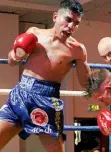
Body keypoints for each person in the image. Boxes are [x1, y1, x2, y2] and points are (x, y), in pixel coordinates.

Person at [0, 0, 90, 151]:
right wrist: (17, 54)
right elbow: (11, 61)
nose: (71, 26)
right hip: (21, 93)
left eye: (76, 23)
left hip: (48, 99)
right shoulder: (35, 34)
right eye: (68, 20)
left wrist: (105, 81)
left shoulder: (77, 50)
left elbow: (86, 83)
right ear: (55, 17)